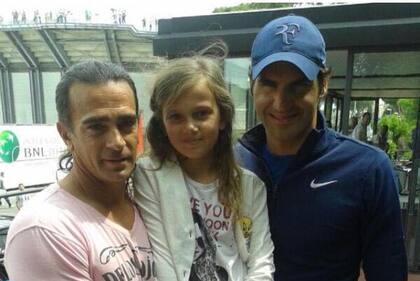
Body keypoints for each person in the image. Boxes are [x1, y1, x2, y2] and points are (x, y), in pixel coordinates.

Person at [234, 15, 407, 281]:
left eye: (298, 86)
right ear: (252, 83)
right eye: (269, 84)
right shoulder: (227, 164)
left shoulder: (367, 169)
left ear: (323, 85)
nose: (281, 103)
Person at [5, 60, 156, 281]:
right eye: (96, 127)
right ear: (66, 134)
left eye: (126, 124)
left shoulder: (146, 200)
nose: (117, 142)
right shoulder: (44, 229)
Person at [134, 50, 274, 281]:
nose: (190, 127)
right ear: (163, 123)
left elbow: (260, 259)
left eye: (201, 114)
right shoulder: (149, 176)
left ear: (222, 118)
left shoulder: (250, 185)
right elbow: (162, 260)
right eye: (176, 117)